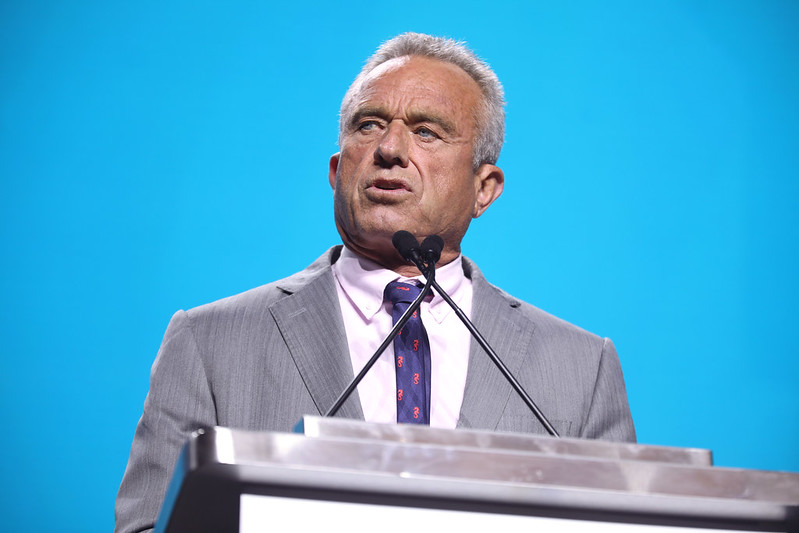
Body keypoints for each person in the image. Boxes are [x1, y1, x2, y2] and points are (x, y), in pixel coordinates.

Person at [115, 32, 635, 533]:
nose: (390, 148)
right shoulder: (210, 344)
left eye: (426, 131)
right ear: (337, 170)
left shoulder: (581, 370)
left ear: (485, 188)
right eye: (368, 125)